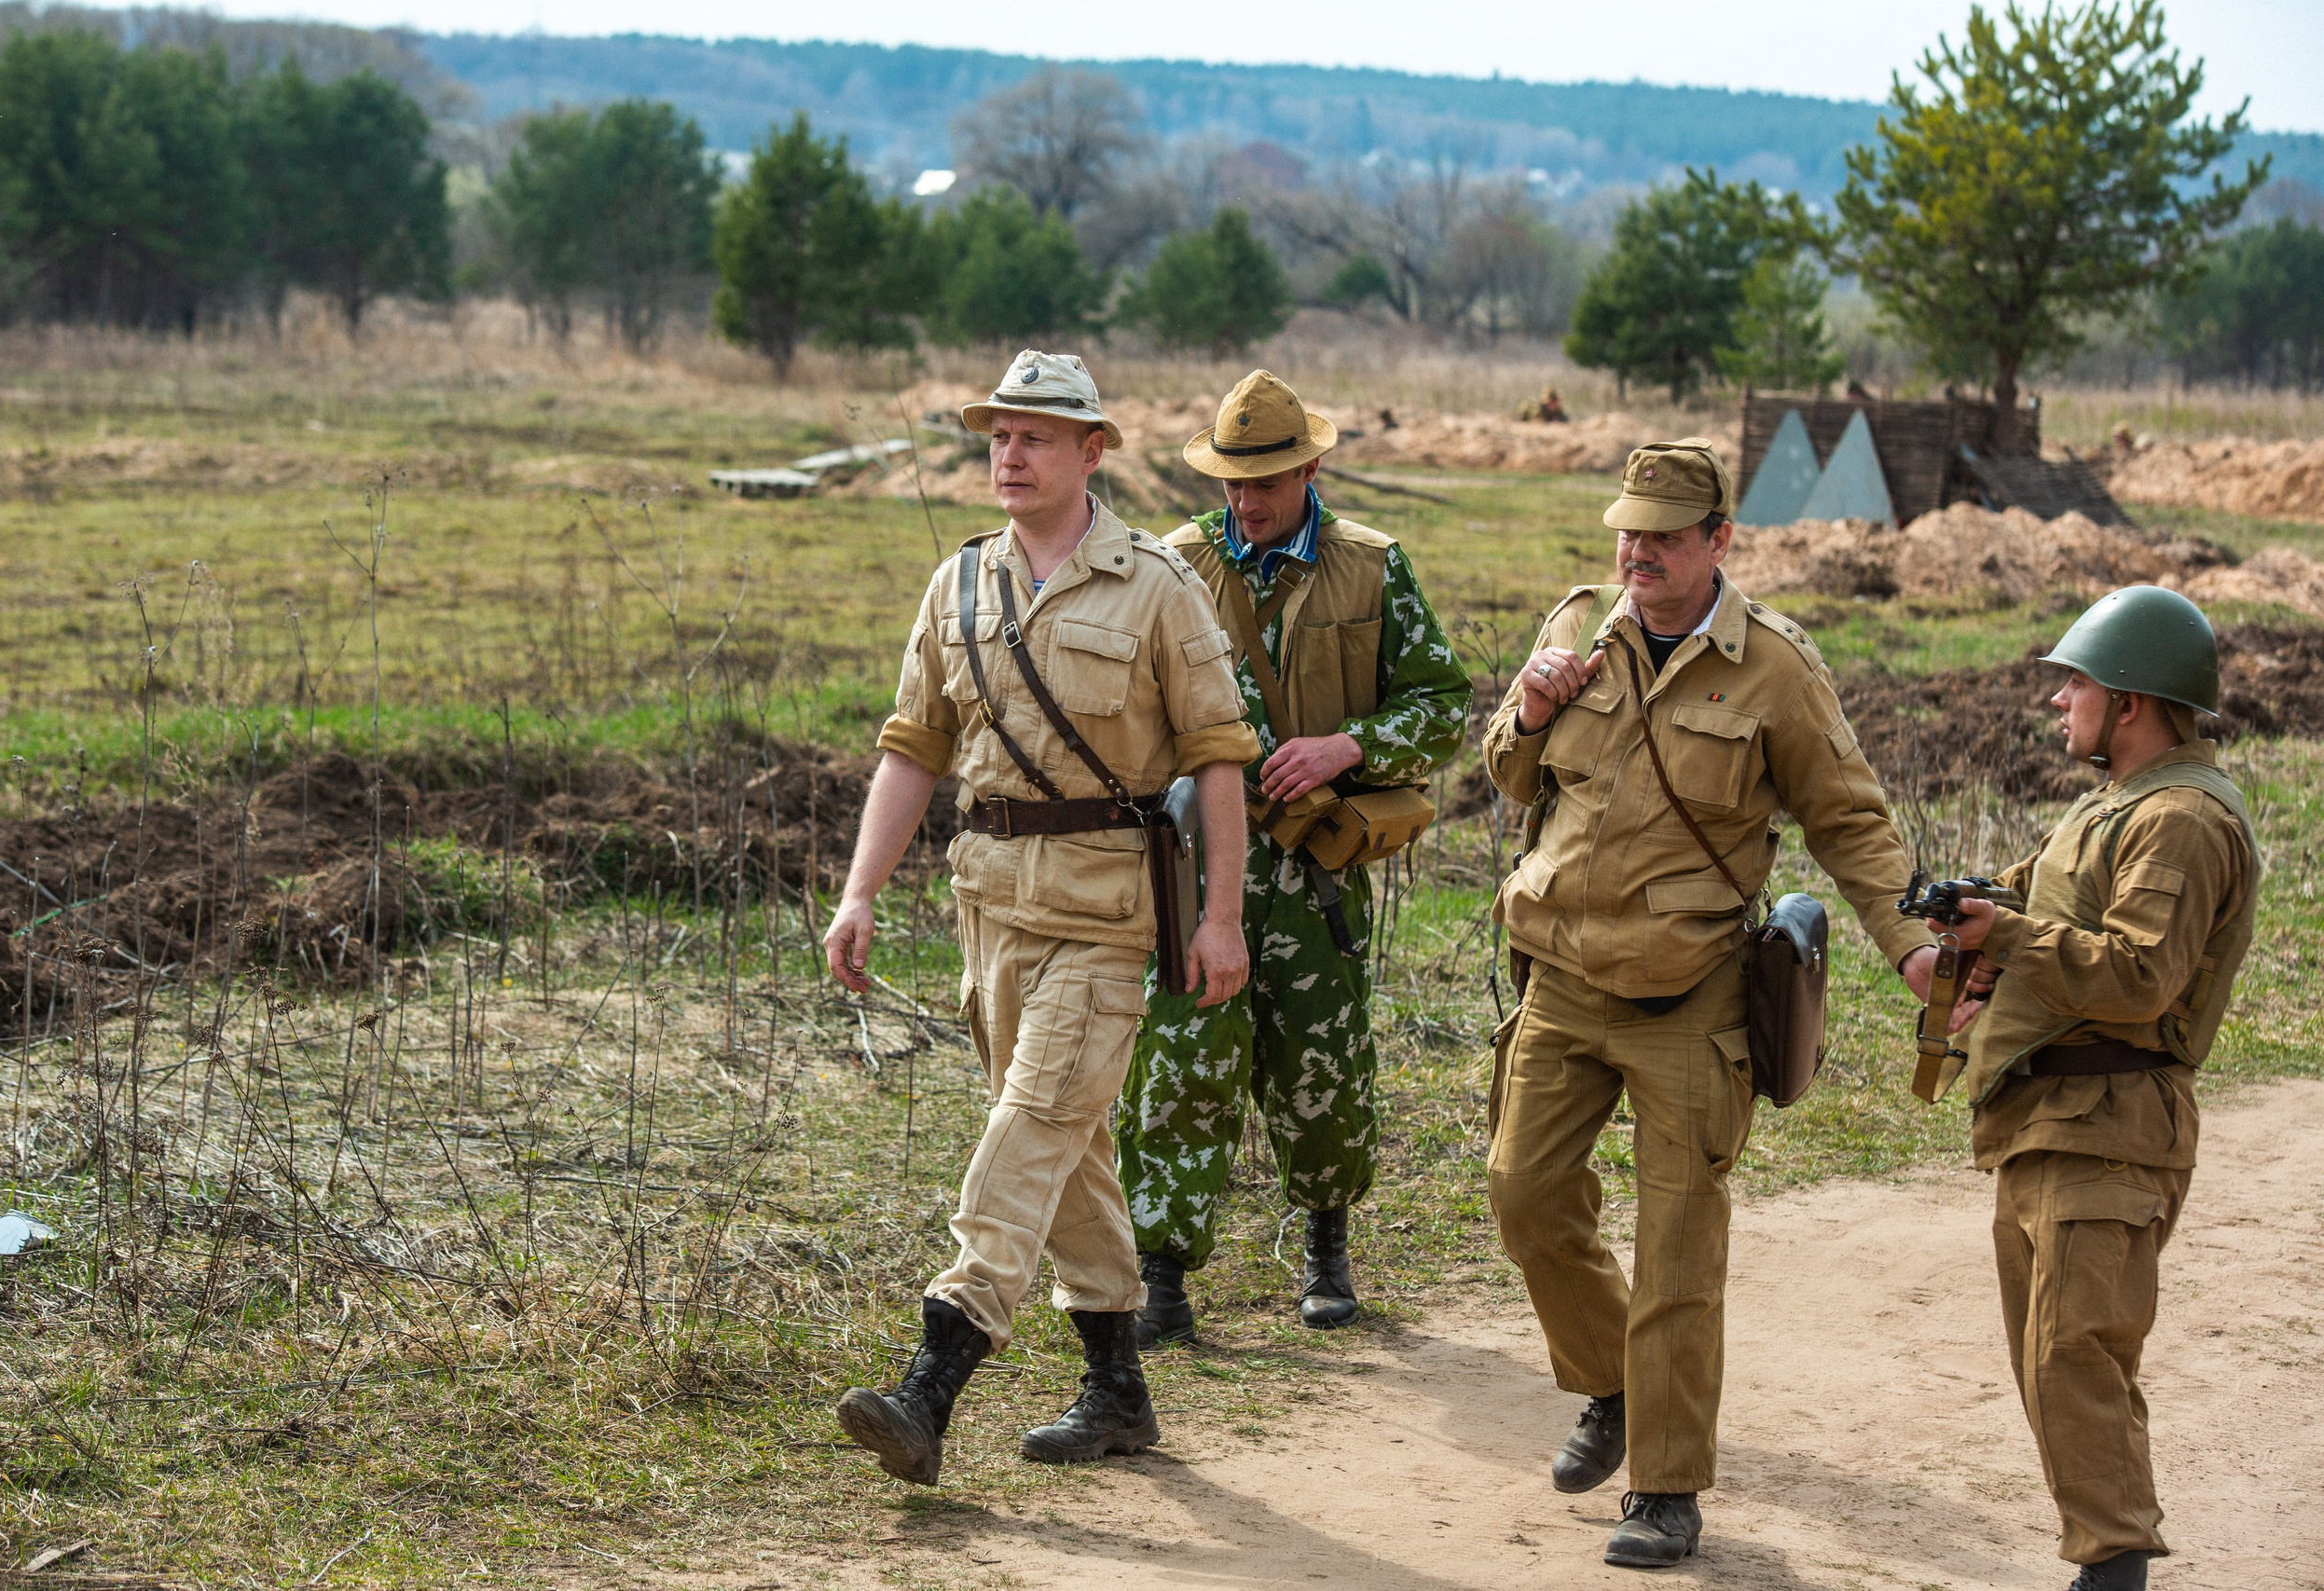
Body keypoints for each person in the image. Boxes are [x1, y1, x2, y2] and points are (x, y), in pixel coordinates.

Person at [1478, 438, 1943, 1569]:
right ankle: (1615, 1385)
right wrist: (1531, 712)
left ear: (1718, 542)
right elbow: (1504, 772)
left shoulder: (1775, 667)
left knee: (1680, 1243)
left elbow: (1849, 819)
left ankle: (1667, 1488)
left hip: (1690, 994)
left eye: (1664, 539)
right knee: (1521, 1193)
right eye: (1626, 533)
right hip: (1562, 980)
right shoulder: (1578, 622)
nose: (1637, 554)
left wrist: (1914, 947)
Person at [824, 350, 1260, 1488]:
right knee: (1068, 1144)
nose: (1008, 455)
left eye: (1034, 436)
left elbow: (1218, 756)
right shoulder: (957, 583)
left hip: (1109, 912)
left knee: (1029, 1122)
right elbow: (912, 746)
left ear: (1091, 452)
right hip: (990, 910)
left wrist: (1221, 917)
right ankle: (1116, 1387)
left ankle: (934, 1371)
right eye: (997, 436)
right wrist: (861, 890)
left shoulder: (1157, 584)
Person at [1117, 370, 1473, 1344]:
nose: (1245, 500)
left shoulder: (1373, 566)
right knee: (1181, 1066)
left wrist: (1350, 744)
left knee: (1322, 1069)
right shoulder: (1172, 563)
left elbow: (1442, 703)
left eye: (1266, 479)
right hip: (1194, 871)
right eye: (1231, 479)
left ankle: (1325, 1247)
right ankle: (1160, 1279)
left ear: (1311, 468)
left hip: (1314, 874)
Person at [1920, 586, 2256, 1591]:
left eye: (2077, 683)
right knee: (2049, 1359)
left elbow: (2143, 974)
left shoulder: (2185, 820)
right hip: (2046, 1118)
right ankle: (2108, 1557)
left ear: (2133, 702)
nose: (2058, 700)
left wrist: (2010, 936)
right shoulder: (2107, 807)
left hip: (2111, 1123)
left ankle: (2112, 1569)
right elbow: (2046, 903)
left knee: (2076, 1353)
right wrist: (1981, 913)